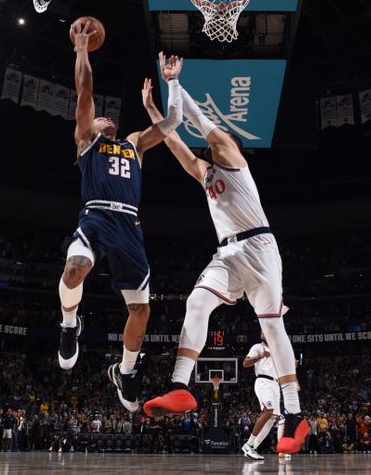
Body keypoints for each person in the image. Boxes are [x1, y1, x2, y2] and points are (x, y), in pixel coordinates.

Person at [141, 72, 307, 454]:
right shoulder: (206, 173)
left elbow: (205, 128)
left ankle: (295, 414)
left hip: (259, 247)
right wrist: (153, 108)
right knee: (196, 302)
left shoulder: (234, 160)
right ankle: (181, 387)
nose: (214, 143)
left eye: (220, 139)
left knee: (273, 326)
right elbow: (176, 143)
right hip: (227, 254)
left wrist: (175, 85)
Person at [57, 24, 183, 413]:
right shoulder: (87, 141)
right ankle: (68, 325)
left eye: (106, 118)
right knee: (75, 267)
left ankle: (125, 372)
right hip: (95, 217)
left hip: (130, 224)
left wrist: (168, 89)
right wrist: (82, 51)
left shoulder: (133, 143)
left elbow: (173, 123)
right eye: (98, 118)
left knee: (141, 310)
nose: (104, 118)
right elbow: (85, 92)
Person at [240, 332, 280, 459]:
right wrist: (261, 356)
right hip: (264, 382)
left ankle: (252, 448)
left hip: (275, 383)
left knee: (273, 417)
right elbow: (245, 363)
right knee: (268, 412)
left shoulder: (275, 351)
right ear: (261, 336)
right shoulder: (258, 347)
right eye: (263, 332)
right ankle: (248, 444)